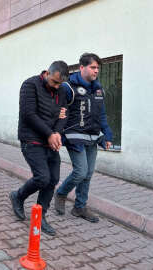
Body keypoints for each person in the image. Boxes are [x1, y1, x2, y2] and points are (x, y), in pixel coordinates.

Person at [9, 61, 69, 236]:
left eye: (60, 84)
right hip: (32, 139)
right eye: (54, 82)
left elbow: (64, 113)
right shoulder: (30, 85)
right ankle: (18, 196)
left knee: (53, 179)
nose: (57, 86)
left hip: (51, 140)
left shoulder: (62, 90)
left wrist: (57, 133)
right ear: (47, 73)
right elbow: (29, 114)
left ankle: (41, 216)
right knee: (43, 177)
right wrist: (50, 133)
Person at [54, 53, 113, 223]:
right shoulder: (68, 87)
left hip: (93, 137)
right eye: (93, 67)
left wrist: (107, 135)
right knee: (80, 171)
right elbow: (55, 107)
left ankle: (79, 207)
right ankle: (61, 193)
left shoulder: (98, 89)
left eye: (97, 68)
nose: (96, 71)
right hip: (75, 137)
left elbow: (102, 115)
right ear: (82, 67)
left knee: (88, 174)